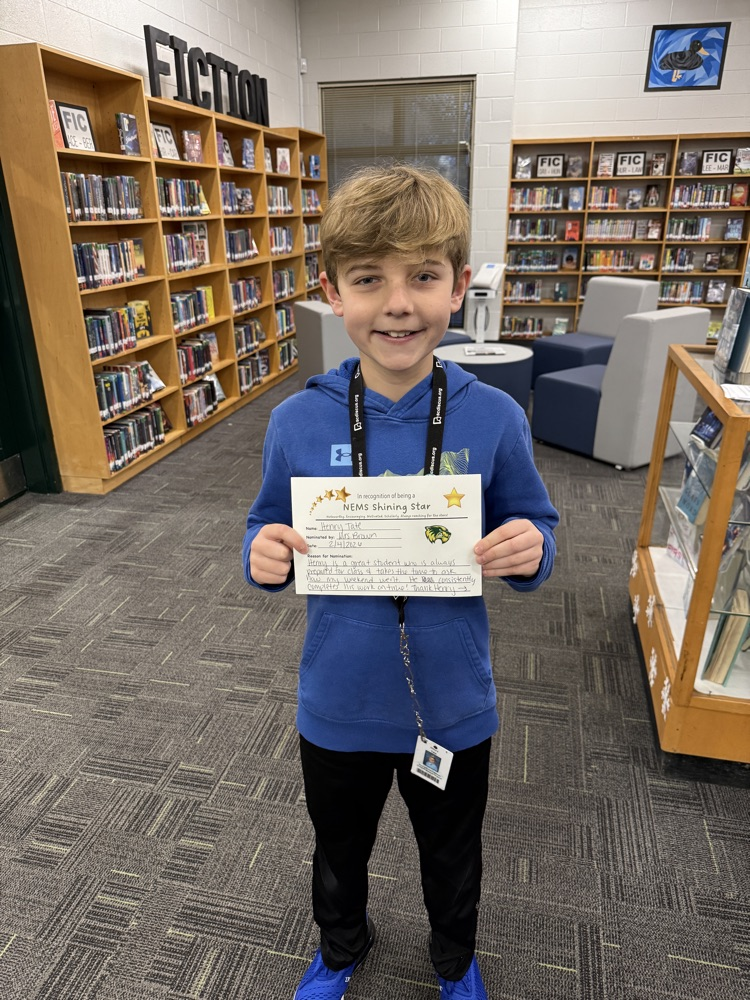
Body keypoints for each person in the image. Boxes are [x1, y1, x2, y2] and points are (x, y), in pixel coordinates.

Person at [242, 164, 558, 999]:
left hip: (451, 703)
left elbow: (539, 523)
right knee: (338, 851)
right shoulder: (296, 421)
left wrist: (532, 549)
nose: (398, 304)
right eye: (368, 279)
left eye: (424, 276)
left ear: (459, 286)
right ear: (331, 292)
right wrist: (261, 557)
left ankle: (455, 959)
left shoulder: (494, 417)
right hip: (338, 702)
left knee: (452, 853)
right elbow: (263, 523)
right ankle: (340, 950)